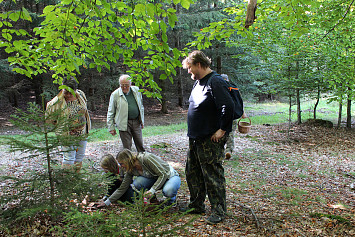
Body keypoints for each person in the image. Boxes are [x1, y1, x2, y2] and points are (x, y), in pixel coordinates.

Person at [181, 50, 235, 224]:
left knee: (212, 175)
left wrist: (222, 130)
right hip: (195, 138)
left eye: (189, 68)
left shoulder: (216, 81)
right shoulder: (198, 83)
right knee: (193, 173)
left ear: (198, 64)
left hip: (209, 139)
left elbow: (228, 106)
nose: (189, 72)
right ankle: (196, 205)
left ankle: (219, 210)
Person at [97, 149, 181, 207]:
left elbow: (163, 174)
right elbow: (122, 188)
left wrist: (152, 190)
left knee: (168, 190)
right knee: (137, 183)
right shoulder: (130, 169)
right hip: (156, 179)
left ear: (127, 160)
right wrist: (107, 202)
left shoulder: (146, 158)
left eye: (121, 163)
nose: (121, 166)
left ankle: (171, 202)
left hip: (170, 176)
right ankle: (153, 200)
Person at [46, 78, 91, 172]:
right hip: (67, 136)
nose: (69, 95)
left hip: (82, 133)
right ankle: (66, 182)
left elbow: (84, 111)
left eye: (71, 92)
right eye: (66, 92)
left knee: (79, 157)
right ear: (62, 89)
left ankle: (76, 179)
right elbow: (49, 118)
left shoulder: (81, 95)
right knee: (69, 158)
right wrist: (60, 126)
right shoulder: (57, 101)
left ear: (75, 90)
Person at [107, 74, 145, 152]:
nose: (124, 87)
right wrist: (111, 127)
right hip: (123, 123)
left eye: (126, 85)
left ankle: (142, 162)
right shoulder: (115, 94)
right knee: (127, 147)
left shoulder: (136, 90)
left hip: (136, 121)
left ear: (130, 84)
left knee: (140, 144)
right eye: (122, 85)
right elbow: (111, 112)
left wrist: (142, 120)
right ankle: (128, 162)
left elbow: (141, 106)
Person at [220, 74, 247, 160]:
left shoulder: (220, 88)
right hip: (233, 115)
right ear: (227, 79)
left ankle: (221, 151)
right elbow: (239, 101)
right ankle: (229, 150)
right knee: (231, 133)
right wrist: (242, 113)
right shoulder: (234, 88)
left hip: (222, 115)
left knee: (222, 132)